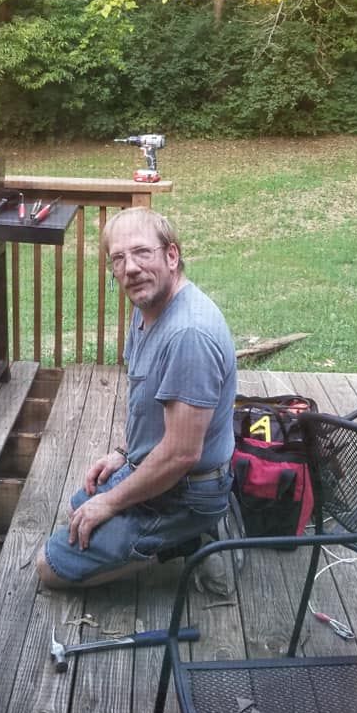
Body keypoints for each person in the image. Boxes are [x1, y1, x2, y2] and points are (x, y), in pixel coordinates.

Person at [36, 206, 237, 588]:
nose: (130, 268)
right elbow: (150, 406)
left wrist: (112, 502)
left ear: (172, 255)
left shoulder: (188, 335)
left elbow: (181, 454)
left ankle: (185, 539)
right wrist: (123, 453)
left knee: (51, 569)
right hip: (160, 471)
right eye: (118, 258)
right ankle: (164, 530)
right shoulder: (147, 308)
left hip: (188, 492)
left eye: (142, 252)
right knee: (80, 506)